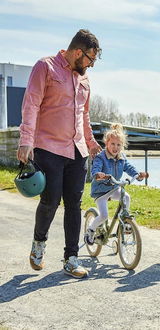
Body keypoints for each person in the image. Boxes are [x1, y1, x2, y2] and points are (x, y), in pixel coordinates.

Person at [17, 29, 102, 278]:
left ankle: (71, 258)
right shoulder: (46, 67)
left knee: (74, 205)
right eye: (90, 59)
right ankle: (39, 244)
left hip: (78, 151)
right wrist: (26, 140)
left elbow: (84, 115)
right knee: (50, 201)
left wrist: (91, 141)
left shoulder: (85, 80)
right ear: (78, 52)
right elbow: (31, 103)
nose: (91, 65)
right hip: (49, 147)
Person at [84, 123, 148, 245]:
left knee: (126, 197)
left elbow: (128, 167)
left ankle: (124, 220)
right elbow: (95, 169)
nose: (115, 147)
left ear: (122, 146)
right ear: (106, 143)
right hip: (101, 191)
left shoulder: (121, 157)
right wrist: (98, 174)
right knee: (103, 216)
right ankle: (91, 230)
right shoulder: (100, 157)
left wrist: (137, 174)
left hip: (114, 188)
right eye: (112, 144)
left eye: (118, 145)